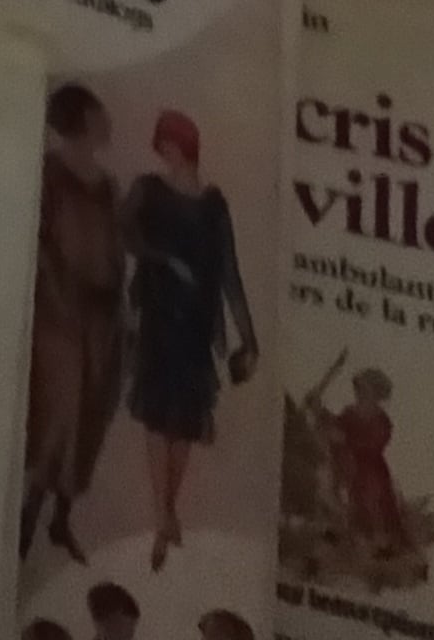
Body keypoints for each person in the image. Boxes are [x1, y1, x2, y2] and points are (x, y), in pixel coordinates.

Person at [123, 107, 261, 565]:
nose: (163, 152)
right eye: (160, 146)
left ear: (182, 146)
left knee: (184, 420)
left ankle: (166, 512)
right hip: (158, 317)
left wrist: (249, 338)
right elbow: (124, 232)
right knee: (156, 415)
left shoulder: (214, 205)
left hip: (196, 326)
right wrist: (163, 259)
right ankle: (163, 516)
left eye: (167, 144)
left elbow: (230, 275)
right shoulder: (149, 190)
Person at [22, 80, 128, 557]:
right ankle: (26, 518)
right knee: (57, 419)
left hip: (102, 318)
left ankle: (60, 521)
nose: (107, 122)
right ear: (82, 120)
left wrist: (120, 306)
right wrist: (59, 293)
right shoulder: (49, 172)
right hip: (59, 314)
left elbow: (116, 250)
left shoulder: (108, 185)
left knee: (91, 417)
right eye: (99, 114)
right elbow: (40, 240)